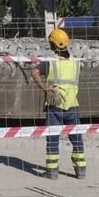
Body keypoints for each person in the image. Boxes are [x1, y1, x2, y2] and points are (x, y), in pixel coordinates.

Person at [36, 28, 85, 179]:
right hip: (72, 105)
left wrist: (44, 87)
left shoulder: (51, 62)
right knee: (77, 139)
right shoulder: (75, 62)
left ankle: (52, 171)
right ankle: (81, 171)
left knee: (53, 138)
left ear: (54, 46)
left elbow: (34, 72)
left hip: (55, 106)